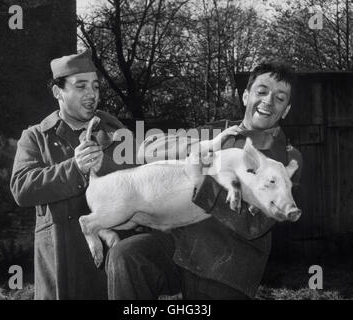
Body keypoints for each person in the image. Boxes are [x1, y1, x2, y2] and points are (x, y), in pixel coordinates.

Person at [105, 61, 303, 299]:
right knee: (128, 255)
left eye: (279, 98)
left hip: (226, 265)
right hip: (177, 244)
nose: (268, 101)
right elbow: (150, 147)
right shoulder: (217, 131)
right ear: (245, 96)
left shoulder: (287, 158)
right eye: (261, 92)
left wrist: (201, 175)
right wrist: (196, 149)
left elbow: (254, 224)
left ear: (287, 110)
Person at [10, 50, 134, 299]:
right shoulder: (35, 136)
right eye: (81, 86)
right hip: (59, 260)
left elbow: (137, 185)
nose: (92, 94)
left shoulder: (118, 134)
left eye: (96, 87)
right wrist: (74, 167)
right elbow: (21, 189)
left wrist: (105, 165)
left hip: (110, 261)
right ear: (58, 92)